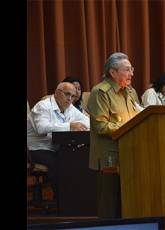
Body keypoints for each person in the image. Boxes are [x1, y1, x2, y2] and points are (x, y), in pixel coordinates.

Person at [87, 52, 143, 218]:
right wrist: (130, 127)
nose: (131, 73)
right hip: (109, 159)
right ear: (113, 72)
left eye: (131, 69)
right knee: (109, 209)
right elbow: (101, 126)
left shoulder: (131, 92)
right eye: (127, 70)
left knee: (129, 206)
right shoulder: (100, 92)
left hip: (130, 155)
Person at [27, 82, 90, 197]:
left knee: (78, 158)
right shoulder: (43, 106)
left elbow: (87, 121)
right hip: (36, 149)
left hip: (56, 147)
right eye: (67, 94)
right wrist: (70, 126)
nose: (70, 99)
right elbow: (41, 128)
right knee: (60, 162)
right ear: (56, 93)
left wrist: (84, 124)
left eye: (73, 96)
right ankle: (62, 199)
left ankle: (77, 198)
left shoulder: (69, 107)